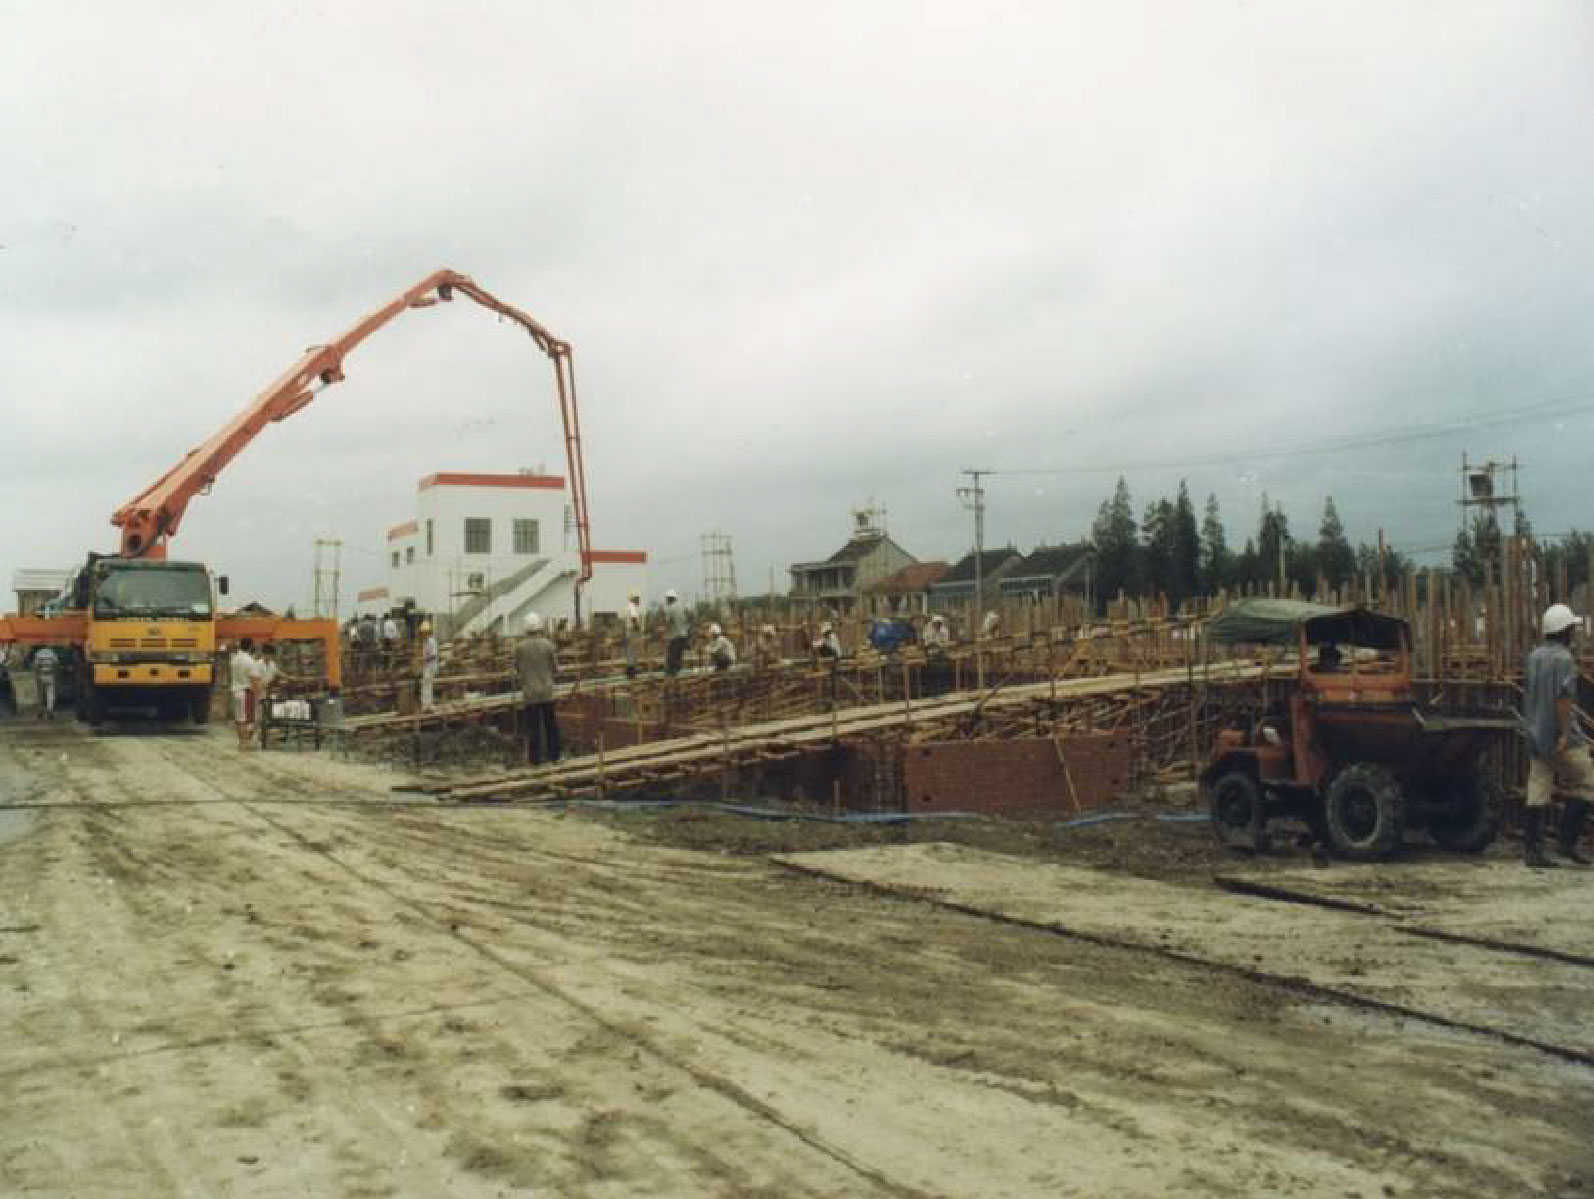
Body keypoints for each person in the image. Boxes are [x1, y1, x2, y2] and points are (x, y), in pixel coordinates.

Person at [1521, 603, 1594, 867]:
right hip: (1559, 735)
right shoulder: (1564, 659)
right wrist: (1564, 734)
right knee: (1587, 781)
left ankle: (1533, 850)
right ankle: (1567, 842)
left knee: (1538, 788)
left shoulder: (1534, 657)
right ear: (1565, 631)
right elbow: (1563, 699)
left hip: (1535, 732)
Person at [515, 612, 561, 766]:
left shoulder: (520, 647)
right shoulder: (548, 645)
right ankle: (555, 756)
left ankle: (535, 761)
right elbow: (555, 668)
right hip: (547, 691)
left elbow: (517, 668)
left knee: (533, 728)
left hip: (530, 693)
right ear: (539, 627)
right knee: (551, 725)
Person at [229, 638, 261, 749]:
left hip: (235, 691)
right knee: (247, 719)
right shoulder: (250, 661)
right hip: (246, 692)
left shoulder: (234, 659)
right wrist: (258, 695)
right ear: (250, 646)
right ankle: (245, 743)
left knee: (239, 718)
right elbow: (254, 680)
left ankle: (241, 742)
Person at [254, 643, 280, 747]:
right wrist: (260, 693)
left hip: (267, 692)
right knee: (258, 716)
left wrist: (292, 677)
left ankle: (265, 738)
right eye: (269, 655)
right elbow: (256, 681)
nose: (271, 657)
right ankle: (255, 738)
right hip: (258, 693)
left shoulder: (272, 664)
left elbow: (277, 673)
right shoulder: (257, 664)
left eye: (272, 655)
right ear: (264, 654)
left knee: (267, 716)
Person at [663, 590, 691, 677]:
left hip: (675, 636)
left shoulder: (670, 608)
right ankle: (677, 673)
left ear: (669, 599)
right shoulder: (682, 607)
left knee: (672, 656)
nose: (666, 601)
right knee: (678, 655)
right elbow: (689, 618)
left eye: (667, 599)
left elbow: (668, 622)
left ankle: (671, 675)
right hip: (684, 635)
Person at [33, 645, 59, 721]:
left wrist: (36, 676)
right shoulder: (52, 653)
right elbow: (56, 664)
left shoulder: (38, 653)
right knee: (50, 693)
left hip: (41, 675)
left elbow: (36, 666)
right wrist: (56, 674)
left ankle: (40, 711)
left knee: (40, 694)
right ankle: (50, 710)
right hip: (50, 675)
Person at [419, 621, 439, 711]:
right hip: (427, 666)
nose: (423, 634)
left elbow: (433, 655)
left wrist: (423, 659)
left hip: (430, 666)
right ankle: (426, 704)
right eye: (422, 633)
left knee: (427, 685)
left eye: (424, 632)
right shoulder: (425, 641)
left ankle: (427, 705)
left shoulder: (431, 641)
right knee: (426, 685)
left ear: (428, 632)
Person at [623, 590, 644, 679]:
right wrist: (639, 629)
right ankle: (631, 671)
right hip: (633, 631)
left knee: (630, 651)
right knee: (633, 651)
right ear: (634, 599)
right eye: (638, 599)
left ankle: (629, 669)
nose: (639, 601)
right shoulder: (632, 608)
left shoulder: (628, 607)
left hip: (629, 630)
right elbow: (634, 619)